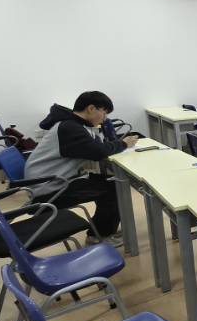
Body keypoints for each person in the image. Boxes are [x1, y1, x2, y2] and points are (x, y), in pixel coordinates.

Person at [25, 91, 138, 245]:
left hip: (57, 180)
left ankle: (103, 229)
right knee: (112, 189)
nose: (105, 118)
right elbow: (98, 151)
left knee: (110, 183)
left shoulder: (76, 125)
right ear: (91, 109)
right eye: (104, 112)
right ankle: (98, 237)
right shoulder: (69, 127)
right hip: (48, 189)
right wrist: (124, 143)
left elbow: (97, 147)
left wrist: (113, 144)